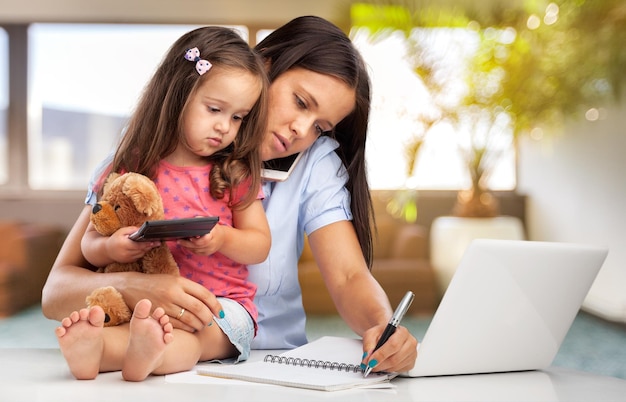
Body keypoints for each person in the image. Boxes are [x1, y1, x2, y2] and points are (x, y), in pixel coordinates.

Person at [42, 16, 418, 375]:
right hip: (157, 359)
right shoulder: (140, 159)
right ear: (262, 68)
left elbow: (350, 275)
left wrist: (384, 329)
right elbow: (57, 292)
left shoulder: (312, 164)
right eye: (300, 102)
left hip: (269, 363)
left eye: (320, 126)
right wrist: (136, 287)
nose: (301, 129)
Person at [54, 25, 271, 381]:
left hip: (222, 307)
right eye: (214, 109)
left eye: (237, 117)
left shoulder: (235, 172)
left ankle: (148, 354)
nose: (224, 127)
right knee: (139, 329)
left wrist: (221, 239)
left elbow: (259, 244)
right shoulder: (129, 169)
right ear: (178, 94)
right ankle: (95, 350)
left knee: (192, 339)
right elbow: (89, 246)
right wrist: (112, 247)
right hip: (148, 306)